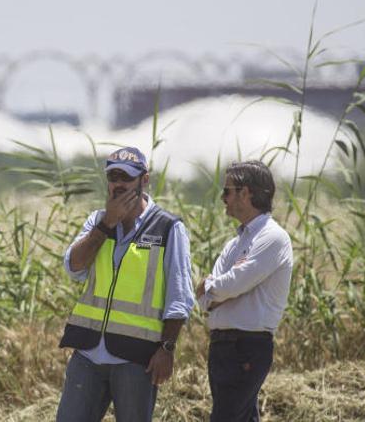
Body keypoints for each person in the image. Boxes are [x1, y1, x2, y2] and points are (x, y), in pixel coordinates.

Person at [55, 146, 194, 422]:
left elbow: (179, 297)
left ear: (145, 180)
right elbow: (74, 266)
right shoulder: (97, 221)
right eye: (113, 177)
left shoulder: (168, 227)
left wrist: (167, 349)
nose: (118, 184)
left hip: (135, 358)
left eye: (126, 177)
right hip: (88, 352)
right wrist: (108, 222)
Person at [195, 160, 293, 422]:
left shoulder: (273, 237)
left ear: (246, 192)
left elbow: (230, 284)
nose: (222, 198)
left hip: (247, 347)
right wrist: (220, 289)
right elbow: (205, 299)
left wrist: (217, 288)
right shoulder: (235, 243)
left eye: (227, 191)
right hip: (223, 345)